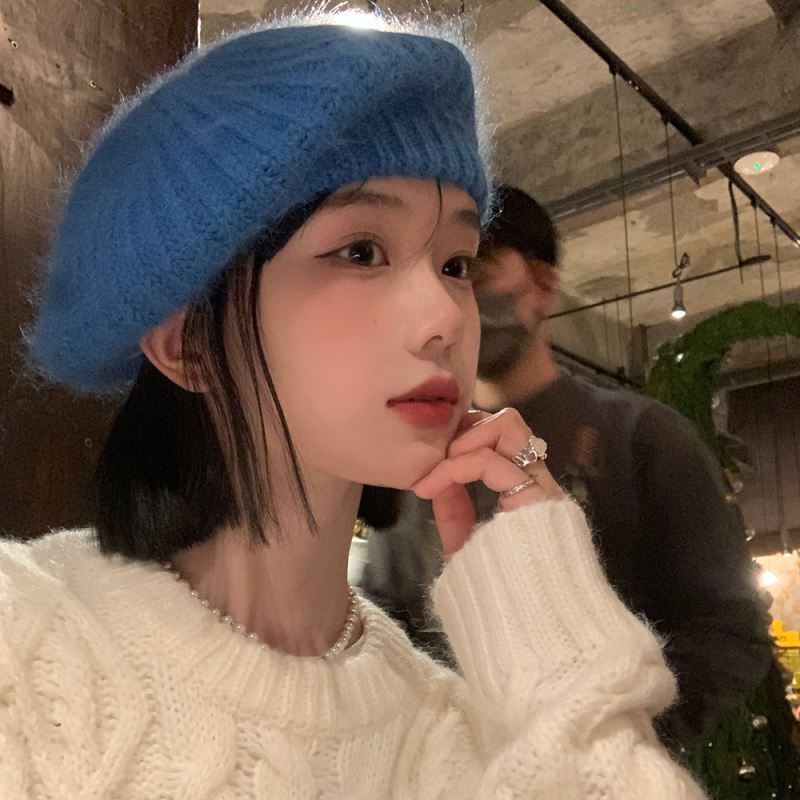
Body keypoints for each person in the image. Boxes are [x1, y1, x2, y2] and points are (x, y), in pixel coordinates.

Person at [0, 17, 706, 799]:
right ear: (188, 343)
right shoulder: (22, 643)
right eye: (361, 251)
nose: (446, 319)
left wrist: (552, 634)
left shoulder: (465, 742)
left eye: (456, 263)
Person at [363, 184, 776, 747]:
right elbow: (385, 621)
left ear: (544, 286)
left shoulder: (643, 437)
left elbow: (728, 630)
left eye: (472, 267)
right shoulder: (411, 453)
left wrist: (615, 737)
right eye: (441, 274)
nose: (454, 299)